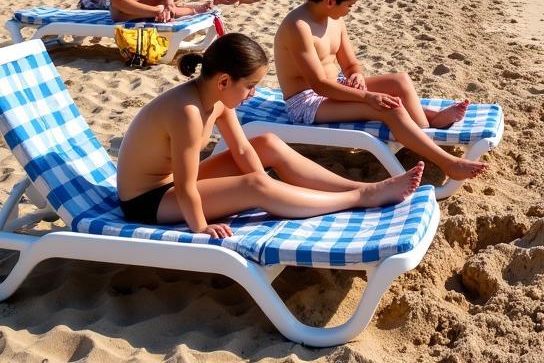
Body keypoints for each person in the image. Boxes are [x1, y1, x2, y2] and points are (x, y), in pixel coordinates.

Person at [115, 33, 423, 233]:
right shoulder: (188, 113)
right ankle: (359, 197)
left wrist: (262, 176)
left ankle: (351, 187)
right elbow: (184, 187)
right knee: (255, 186)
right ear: (224, 81)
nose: (252, 94)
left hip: (170, 185)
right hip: (148, 201)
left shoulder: (216, 99)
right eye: (250, 86)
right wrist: (200, 228)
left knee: (266, 144)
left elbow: (245, 151)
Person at [274, 0, 486, 181]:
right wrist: (368, 97)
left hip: (335, 86)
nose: (350, 10)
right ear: (330, 1)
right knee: (388, 108)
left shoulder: (334, 20)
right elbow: (319, 85)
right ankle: (447, 162)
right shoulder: (298, 27)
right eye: (350, 5)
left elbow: (351, 64)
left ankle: (425, 132)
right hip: (308, 102)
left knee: (399, 82)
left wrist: (355, 75)